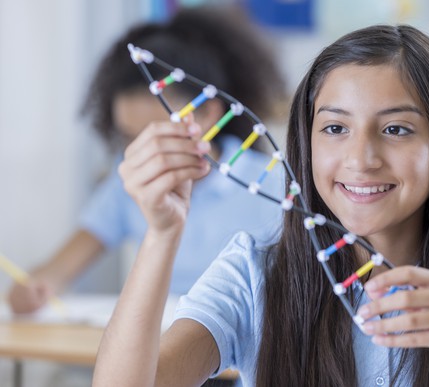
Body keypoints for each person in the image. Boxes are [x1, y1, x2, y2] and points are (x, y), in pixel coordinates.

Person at [92, 24, 429, 386]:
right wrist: (162, 234)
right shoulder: (253, 278)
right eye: (334, 129)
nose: (361, 159)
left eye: (395, 129)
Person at [8, 6, 286, 313]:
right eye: (129, 138)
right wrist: (34, 288)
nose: (142, 152)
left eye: (156, 134)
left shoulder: (274, 188)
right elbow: (58, 270)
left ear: (208, 114)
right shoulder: (127, 181)